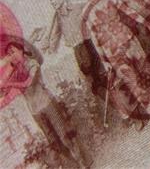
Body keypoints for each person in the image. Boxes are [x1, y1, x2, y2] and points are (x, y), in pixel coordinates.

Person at [77, 0, 150, 135]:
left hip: (129, 41)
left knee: (147, 74)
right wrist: (105, 61)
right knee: (134, 83)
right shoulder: (86, 13)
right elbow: (96, 39)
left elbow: (130, 12)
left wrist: (147, 24)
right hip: (113, 52)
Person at [1, 37, 92, 167]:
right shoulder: (15, 72)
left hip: (47, 104)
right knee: (54, 142)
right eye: (9, 54)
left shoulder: (32, 63)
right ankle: (73, 167)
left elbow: (28, 83)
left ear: (21, 50)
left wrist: (10, 83)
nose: (12, 56)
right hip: (35, 111)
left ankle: (85, 162)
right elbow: (3, 91)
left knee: (65, 135)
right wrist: (6, 75)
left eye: (13, 51)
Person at [38, 0, 108, 103]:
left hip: (91, 45)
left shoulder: (79, 5)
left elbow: (97, 12)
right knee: (95, 87)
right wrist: (46, 46)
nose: (52, 2)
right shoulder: (58, 18)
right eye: (50, 0)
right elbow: (54, 40)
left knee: (106, 78)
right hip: (78, 52)